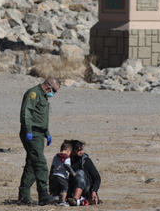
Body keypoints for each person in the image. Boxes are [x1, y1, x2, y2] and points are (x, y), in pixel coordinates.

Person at [17, 77, 61, 206]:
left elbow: (41, 116)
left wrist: (47, 133)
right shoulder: (33, 93)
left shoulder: (44, 96)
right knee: (40, 163)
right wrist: (28, 130)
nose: (53, 94)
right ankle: (43, 194)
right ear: (48, 86)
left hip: (40, 133)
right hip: (32, 133)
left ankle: (23, 196)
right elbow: (26, 112)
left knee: (32, 163)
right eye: (54, 91)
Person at [68, 140, 101, 206]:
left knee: (80, 173)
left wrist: (94, 191)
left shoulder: (85, 161)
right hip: (71, 187)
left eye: (82, 149)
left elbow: (97, 178)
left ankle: (75, 199)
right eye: (78, 150)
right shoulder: (67, 160)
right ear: (73, 151)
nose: (81, 152)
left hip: (86, 187)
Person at [49, 140, 76, 206]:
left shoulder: (56, 156)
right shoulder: (67, 157)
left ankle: (54, 199)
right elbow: (67, 166)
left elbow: (53, 166)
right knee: (64, 188)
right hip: (62, 176)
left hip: (55, 175)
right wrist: (72, 172)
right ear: (68, 150)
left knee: (56, 188)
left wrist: (51, 175)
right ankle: (62, 201)